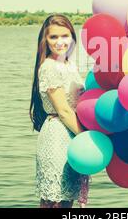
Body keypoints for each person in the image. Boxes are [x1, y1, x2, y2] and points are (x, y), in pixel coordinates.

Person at [29, 14, 89, 208]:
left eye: (65, 35)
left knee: (66, 202)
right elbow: (63, 110)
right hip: (57, 136)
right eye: (53, 37)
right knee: (53, 202)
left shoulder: (69, 65)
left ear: (72, 37)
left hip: (72, 136)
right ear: (44, 40)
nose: (60, 42)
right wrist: (85, 138)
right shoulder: (49, 67)